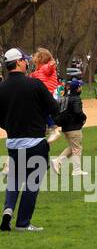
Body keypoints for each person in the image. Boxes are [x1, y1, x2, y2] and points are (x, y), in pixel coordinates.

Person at [1, 48, 60, 231]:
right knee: (32, 183)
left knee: (14, 179)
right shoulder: (34, 84)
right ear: (18, 62)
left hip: (13, 142)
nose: (27, 63)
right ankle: (23, 223)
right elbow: (54, 108)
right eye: (25, 60)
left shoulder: (1, 87)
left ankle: (8, 210)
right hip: (35, 142)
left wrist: (10, 127)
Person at [49, 77, 87, 175]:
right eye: (80, 86)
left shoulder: (66, 97)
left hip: (66, 127)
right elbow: (77, 111)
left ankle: (58, 162)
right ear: (77, 88)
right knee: (77, 148)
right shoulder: (76, 98)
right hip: (73, 127)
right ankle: (76, 170)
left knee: (73, 147)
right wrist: (84, 117)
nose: (81, 88)